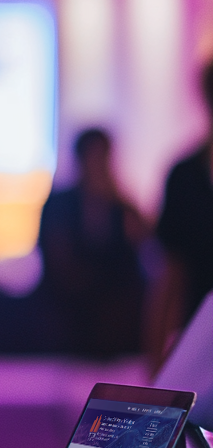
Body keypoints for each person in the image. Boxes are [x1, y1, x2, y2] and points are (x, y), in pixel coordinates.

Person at [38, 128, 146, 356]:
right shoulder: (60, 204)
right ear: (80, 158)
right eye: (93, 155)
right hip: (69, 316)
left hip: (116, 322)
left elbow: (143, 245)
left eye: (103, 156)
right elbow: (58, 261)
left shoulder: (121, 206)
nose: (98, 163)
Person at [147, 61, 213, 370]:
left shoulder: (184, 173)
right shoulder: (185, 176)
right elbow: (171, 276)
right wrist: (157, 363)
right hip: (200, 347)